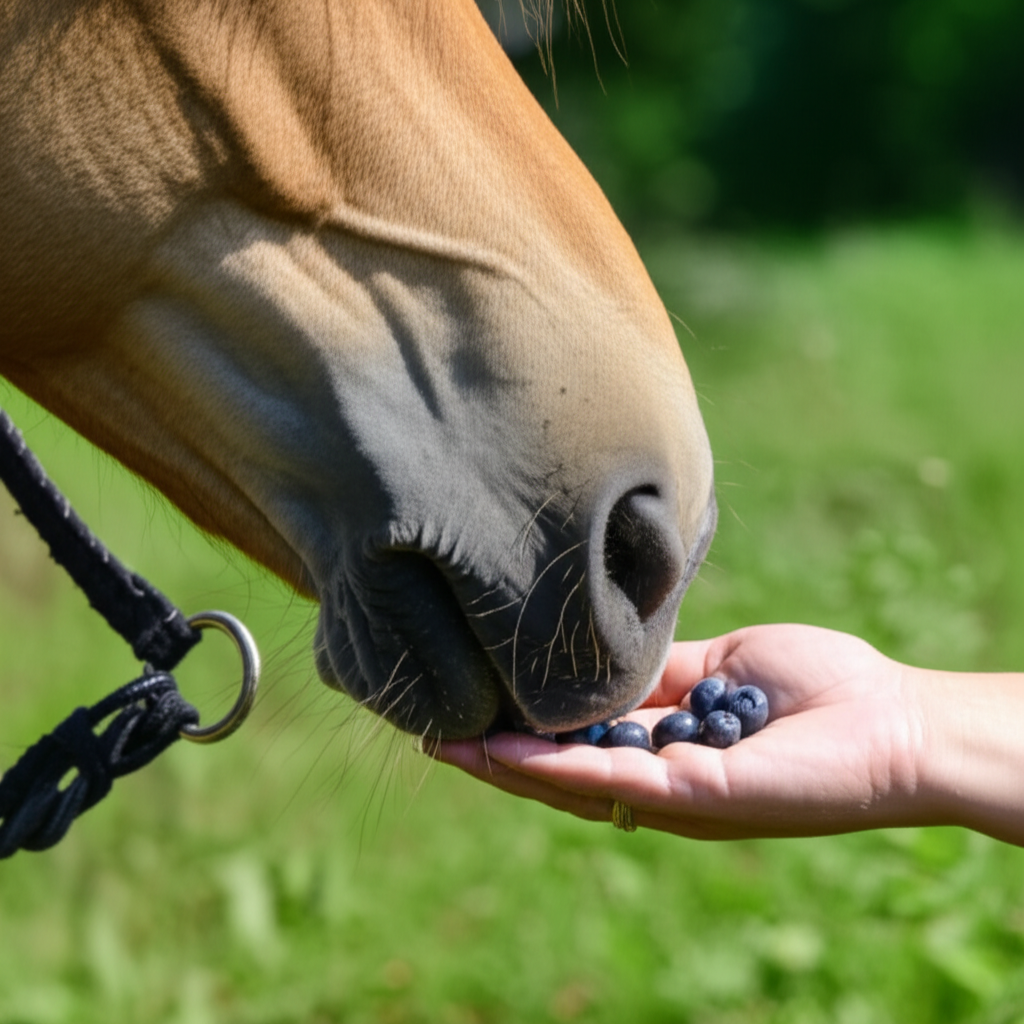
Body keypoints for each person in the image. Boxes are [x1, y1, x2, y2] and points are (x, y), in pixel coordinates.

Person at [431, 623, 1024, 848]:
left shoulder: (715, 716)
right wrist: (910, 727)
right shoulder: (704, 717)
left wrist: (910, 728)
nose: (726, 716)